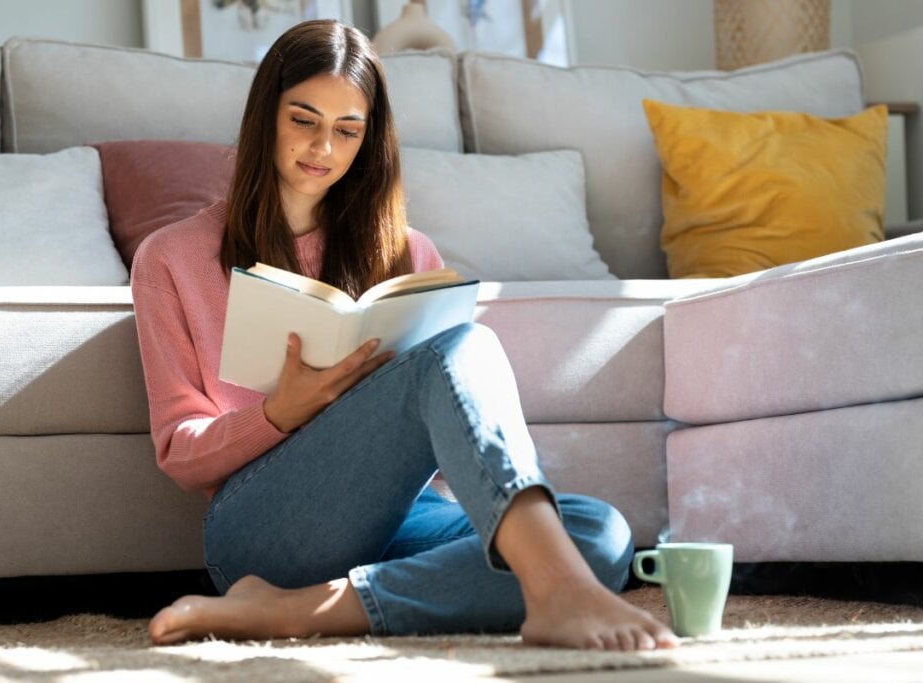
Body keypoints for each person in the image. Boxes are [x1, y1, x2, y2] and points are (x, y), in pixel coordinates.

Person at [130, 18, 677, 652]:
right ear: (265, 117)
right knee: (469, 353)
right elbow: (179, 449)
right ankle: (548, 591)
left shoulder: (408, 253)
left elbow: (444, 431)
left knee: (597, 535)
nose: (323, 149)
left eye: (347, 130)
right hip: (263, 526)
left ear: (369, 140)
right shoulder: (171, 256)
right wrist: (282, 412)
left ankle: (300, 612)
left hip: (405, 518)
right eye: (303, 120)